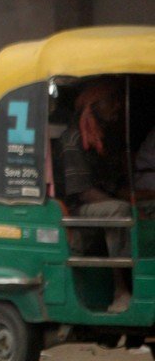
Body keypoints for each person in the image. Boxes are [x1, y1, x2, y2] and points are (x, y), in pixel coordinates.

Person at [61, 78, 132, 312]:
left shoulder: (104, 138)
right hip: (78, 212)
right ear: (94, 105)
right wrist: (123, 203)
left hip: (99, 202)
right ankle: (121, 291)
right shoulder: (74, 139)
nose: (117, 106)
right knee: (119, 212)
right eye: (111, 100)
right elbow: (83, 192)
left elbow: (115, 184)